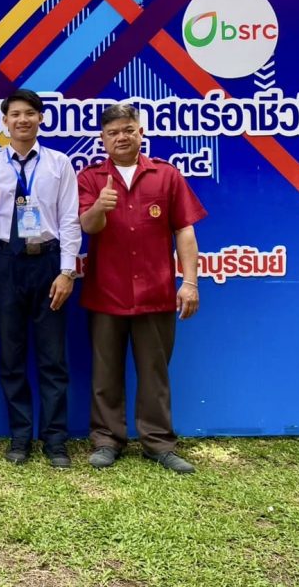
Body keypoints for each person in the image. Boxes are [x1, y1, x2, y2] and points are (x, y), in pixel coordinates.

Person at [78, 103, 206, 474]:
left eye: (127, 130)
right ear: (103, 139)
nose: (121, 137)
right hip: (106, 292)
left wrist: (190, 282)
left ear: (140, 132)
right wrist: (100, 207)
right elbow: (87, 226)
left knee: (155, 373)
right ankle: (107, 440)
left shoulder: (166, 175)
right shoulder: (91, 178)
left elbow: (184, 230)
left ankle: (159, 444)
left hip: (156, 293)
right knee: (105, 373)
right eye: (113, 132)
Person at [0, 89, 81, 468]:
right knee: (11, 355)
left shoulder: (58, 163)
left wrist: (67, 272)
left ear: (40, 118)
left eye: (29, 113)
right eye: (15, 114)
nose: (22, 120)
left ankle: (55, 440)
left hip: (48, 263)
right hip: (8, 263)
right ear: (5, 121)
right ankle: (20, 436)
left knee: (53, 357)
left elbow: (69, 220)